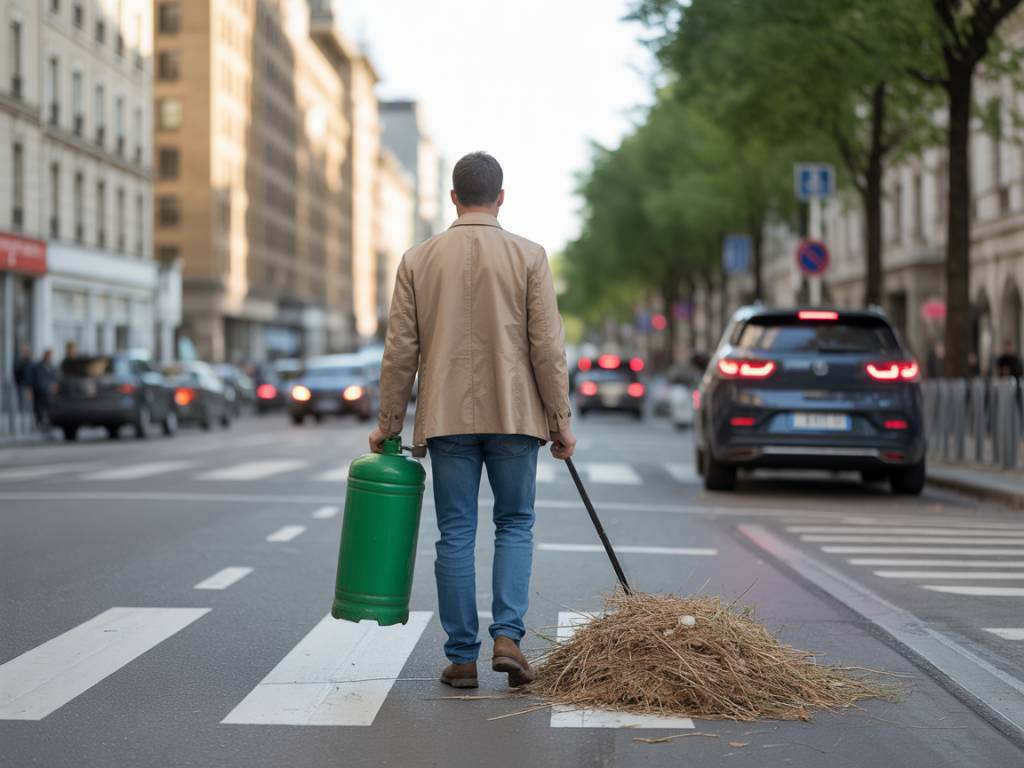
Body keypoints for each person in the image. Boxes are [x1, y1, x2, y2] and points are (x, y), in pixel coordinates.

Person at [369, 152, 575, 690]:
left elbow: (400, 352)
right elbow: (547, 348)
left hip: (446, 415)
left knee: (455, 531)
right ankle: (507, 637)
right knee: (515, 523)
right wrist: (560, 421)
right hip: (514, 413)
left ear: (454, 197)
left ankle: (461, 657)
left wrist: (388, 422)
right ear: (501, 197)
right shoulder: (529, 256)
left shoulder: (417, 259)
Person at [30, 349, 57, 432]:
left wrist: (54, 386)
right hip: (38, 391)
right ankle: (40, 424)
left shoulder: (51, 366)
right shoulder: (37, 366)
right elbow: (32, 379)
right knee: (38, 409)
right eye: (48, 355)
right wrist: (30, 390)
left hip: (47, 392)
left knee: (48, 408)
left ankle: (48, 424)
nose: (49, 357)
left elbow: (54, 378)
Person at [13, 343, 33, 411]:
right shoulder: (19, 361)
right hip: (21, 384)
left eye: (27, 351)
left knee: (29, 403)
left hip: (29, 386)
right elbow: (16, 373)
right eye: (24, 351)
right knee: (22, 402)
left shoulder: (30, 362)